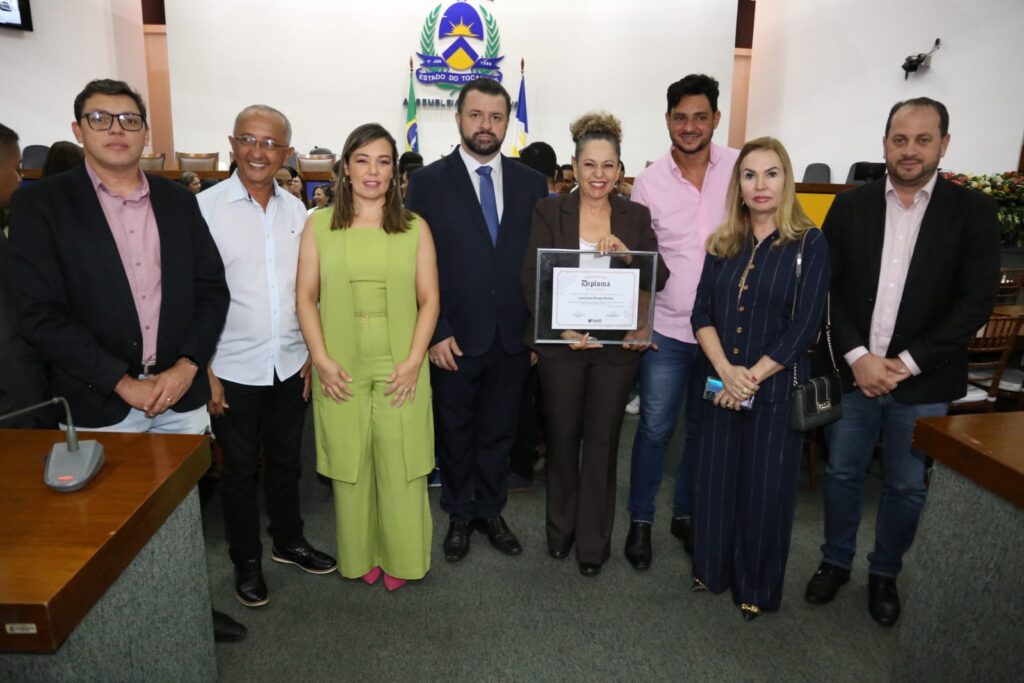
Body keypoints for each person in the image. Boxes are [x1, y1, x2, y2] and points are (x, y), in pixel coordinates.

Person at [7, 79, 243, 642]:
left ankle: (187, 611)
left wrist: (188, 366)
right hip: (100, 398)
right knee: (106, 529)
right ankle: (125, 633)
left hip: (179, 394)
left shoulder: (177, 201)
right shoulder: (43, 204)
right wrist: (122, 382)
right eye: (101, 118)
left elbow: (212, 290)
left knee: (181, 516)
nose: (116, 129)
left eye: (129, 119)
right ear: (78, 130)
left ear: (145, 132)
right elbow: (39, 315)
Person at [804, 97, 1001, 627]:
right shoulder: (851, 207)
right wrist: (858, 357)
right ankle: (835, 561)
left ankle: (885, 572)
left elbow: (975, 303)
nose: (909, 150)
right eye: (899, 139)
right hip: (853, 374)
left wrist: (906, 363)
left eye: (922, 139)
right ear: (885, 143)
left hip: (924, 381)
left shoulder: (973, 213)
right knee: (842, 473)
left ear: (944, 144)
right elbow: (829, 289)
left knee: (907, 486)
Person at [198, 104, 336, 609]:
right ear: (232, 144)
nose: (258, 152)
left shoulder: (300, 214)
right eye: (248, 140)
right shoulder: (204, 210)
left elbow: (311, 292)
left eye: (271, 143)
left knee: (285, 463)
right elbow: (189, 296)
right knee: (238, 472)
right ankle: (246, 560)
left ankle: (288, 540)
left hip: (289, 362)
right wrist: (204, 369)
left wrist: (312, 353)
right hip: (230, 366)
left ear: (288, 153)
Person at [405, 77, 548, 562]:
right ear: (459, 118)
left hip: (513, 337)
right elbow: (413, 265)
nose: (486, 125)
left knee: (500, 432)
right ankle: (458, 514)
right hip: (453, 336)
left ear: (507, 122)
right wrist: (435, 332)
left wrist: (535, 331)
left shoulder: (532, 184)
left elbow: (539, 264)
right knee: (455, 431)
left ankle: (491, 510)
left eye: (496, 117)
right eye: (476, 115)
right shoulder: (426, 183)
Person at [523, 112, 668, 576]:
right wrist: (560, 329)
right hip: (562, 348)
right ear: (574, 167)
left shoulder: (634, 217)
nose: (599, 175)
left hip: (613, 353)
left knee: (603, 446)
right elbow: (532, 277)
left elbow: (659, 277)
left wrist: (629, 255)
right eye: (589, 164)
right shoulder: (549, 211)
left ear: (620, 169)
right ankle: (560, 533)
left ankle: (592, 544)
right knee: (562, 441)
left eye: (608, 165)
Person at [689, 136, 828, 620]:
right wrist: (726, 372)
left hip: (774, 391)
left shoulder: (809, 243)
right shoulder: (723, 242)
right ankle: (711, 569)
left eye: (771, 173)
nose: (760, 184)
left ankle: (755, 587)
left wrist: (750, 378)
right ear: (739, 185)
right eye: (749, 175)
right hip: (720, 387)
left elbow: (805, 326)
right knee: (715, 482)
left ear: (787, 180)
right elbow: (701, 313)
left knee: (765, 492)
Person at [297, 123, 439, 590]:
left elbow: (429, 300)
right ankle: (360, 557)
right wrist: (320, 359)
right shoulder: (319, 225)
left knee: (401, 464)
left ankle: (403, 558)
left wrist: (415, 360)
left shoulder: (415, 228)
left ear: (395, 171)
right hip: (340, 359)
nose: (372, 171)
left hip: (401, 359)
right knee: (351, 466)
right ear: (345, 168)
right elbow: (305, 297)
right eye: (362, 160)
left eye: (383, 161)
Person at [624, 74, 740, 571]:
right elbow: (640, 262)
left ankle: (686, 515)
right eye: (680, 118)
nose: (689, 126)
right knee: (654, 430)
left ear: (716, 118)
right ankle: (640, 520)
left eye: (699, 117)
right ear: (667, 121)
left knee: (702, 429)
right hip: (667, 334)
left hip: (724, 337)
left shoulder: (740, 168)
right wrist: (639, 323)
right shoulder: (649, 182)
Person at [0, 123, 51, 428]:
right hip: (15, 411)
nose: (20, 178)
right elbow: (7, 337)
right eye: (16, 168)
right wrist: (33, 412)